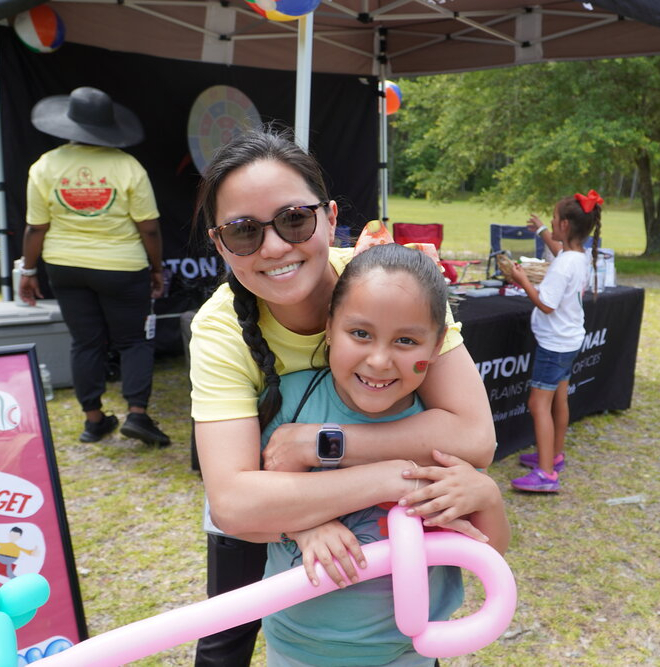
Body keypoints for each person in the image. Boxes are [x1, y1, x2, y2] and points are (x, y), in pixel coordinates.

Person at [189, 128, 495, 665]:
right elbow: (235, 503)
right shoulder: (220, 329)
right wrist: (385, 480)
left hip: (373, 550)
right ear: (219, 244)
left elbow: (473, 437)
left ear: (329, 217)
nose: (276, 246)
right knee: (228, 632)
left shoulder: (396, 286)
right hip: (277, 523)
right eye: (244, 232)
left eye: (294, 219)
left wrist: (320, 443)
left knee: (404, 622)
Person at [233, 242, 509, 665]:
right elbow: (245, 513)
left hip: (406, 652)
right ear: (329, 328)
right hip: (295, 647)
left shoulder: (439, 435)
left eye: (406, 340)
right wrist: (306, 528)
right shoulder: (292, 404)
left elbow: (487, 550)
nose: (379, 360)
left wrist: (487, 496)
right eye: (360, 334)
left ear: (437, 349)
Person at [19, 86, 170, 446]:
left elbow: (35, 227)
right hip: (121, 266)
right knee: (133, 341)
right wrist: (156, 269)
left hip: (64, 266)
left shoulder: (45, 166)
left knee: (85, 343)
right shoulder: (127, 166)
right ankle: (137, 415)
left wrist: (28, 271)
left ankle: (94, 420)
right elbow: (148, 227)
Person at [503, 190, 604, 493]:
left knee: (538, 404)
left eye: (554, 219)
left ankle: (546, 473)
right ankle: (554, 455)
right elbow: (560, 252)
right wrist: (544, 232)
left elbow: (546, 304)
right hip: (570, 341)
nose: (551, 221)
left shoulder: (562, 265)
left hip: (553, 345)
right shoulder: (578, 256)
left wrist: (522, 281)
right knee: (560, 399)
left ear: (565, 226)